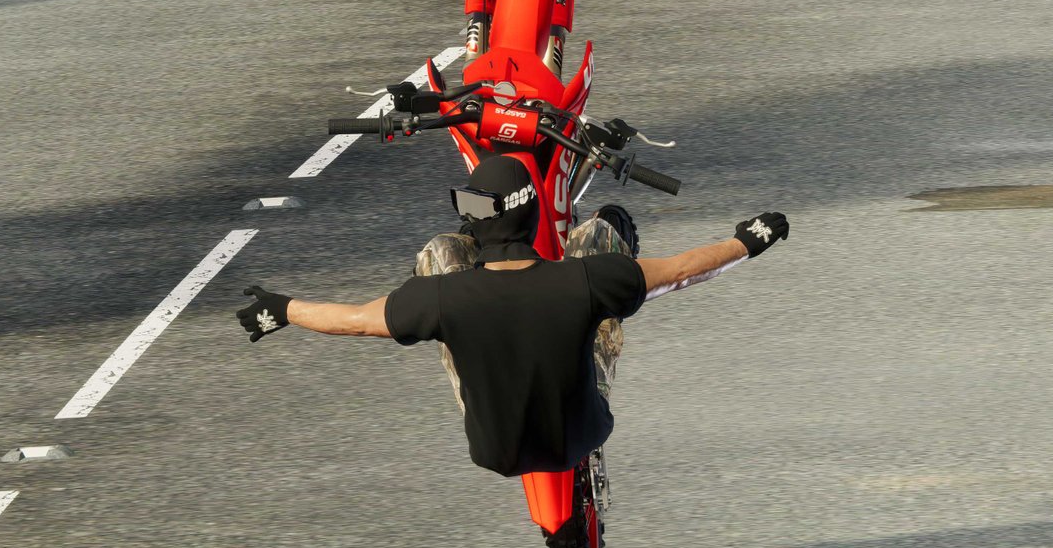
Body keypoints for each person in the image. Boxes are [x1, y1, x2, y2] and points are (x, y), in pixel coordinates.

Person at [236, 155, 789, 478]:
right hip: (578, 438)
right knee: (599, 231)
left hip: (495, 451)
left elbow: (355, 319)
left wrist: (282, 309)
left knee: (439, 262)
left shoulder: (443, 297)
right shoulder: (589, 279)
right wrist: (749, 240)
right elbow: (682, 271)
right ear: (531, 213)